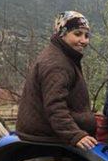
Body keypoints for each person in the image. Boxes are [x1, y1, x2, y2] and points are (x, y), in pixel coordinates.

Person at [16, 11, 98, 150]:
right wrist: (75, 135)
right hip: (47, 137)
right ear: (62, 33)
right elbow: (55, 106)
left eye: (86, 35)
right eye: (77, 34)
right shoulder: (57, 64)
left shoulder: (64, 57)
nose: (84, 40)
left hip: (53, 133)